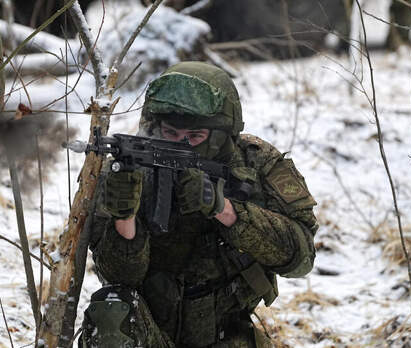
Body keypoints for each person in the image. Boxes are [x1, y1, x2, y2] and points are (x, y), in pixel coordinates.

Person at [81, 61, 318, 348]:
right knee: (111, 310)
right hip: (151, 332)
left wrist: (225, 210)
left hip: (227, 333)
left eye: (195, 137)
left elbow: (300, 260)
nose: (182, 144)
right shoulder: (125, 172)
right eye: (171, 134)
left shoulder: (257, 163)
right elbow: (119, 278)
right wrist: (124, 218)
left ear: (220, 136)